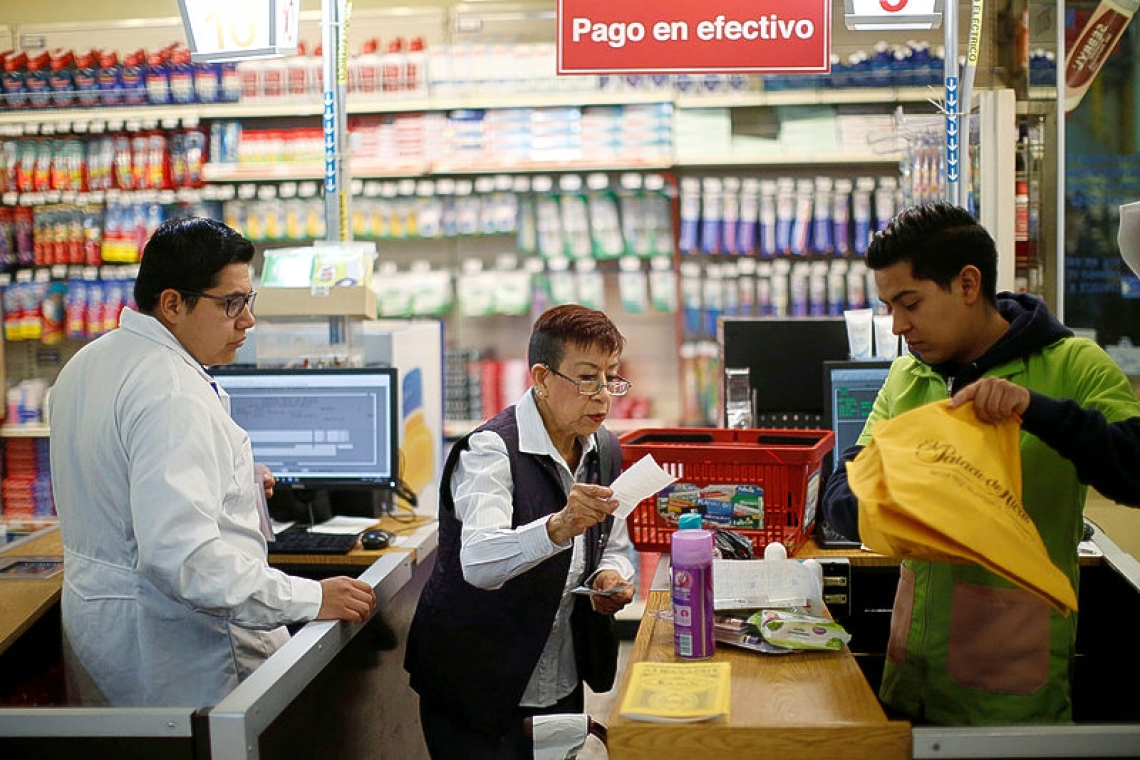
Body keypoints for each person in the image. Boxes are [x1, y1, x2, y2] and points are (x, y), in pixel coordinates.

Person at [821, 201, 1140, 725]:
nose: (899, 325)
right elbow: (841, 493)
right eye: (889, 307)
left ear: (968, 284)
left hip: (1010, 698)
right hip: (910, 686)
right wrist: (907, 503)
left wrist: (1036, 412)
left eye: (911, 303)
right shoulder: (908, 375)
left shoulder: (1073, 366)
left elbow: (1134, 469)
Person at [48, 217, 376, 708]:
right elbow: (186, 559)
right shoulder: (171, 390)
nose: (247, 321)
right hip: (183, 657)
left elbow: (119, 483)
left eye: (249, 301)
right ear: (173, 304)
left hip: (106, 639)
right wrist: (310, 599)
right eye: (231, 304)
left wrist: (234, 478)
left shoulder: (91, 362)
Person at [405, 304, 637, 758]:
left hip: (559, 674)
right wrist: (559, 526)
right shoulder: (489, 452)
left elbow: (614, 543)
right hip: (476, 685)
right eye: (587, 378)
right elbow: (479, 562)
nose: (603, 395)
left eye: (611, 376)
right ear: (542, 378)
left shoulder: (603, 447)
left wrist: (610, 574)